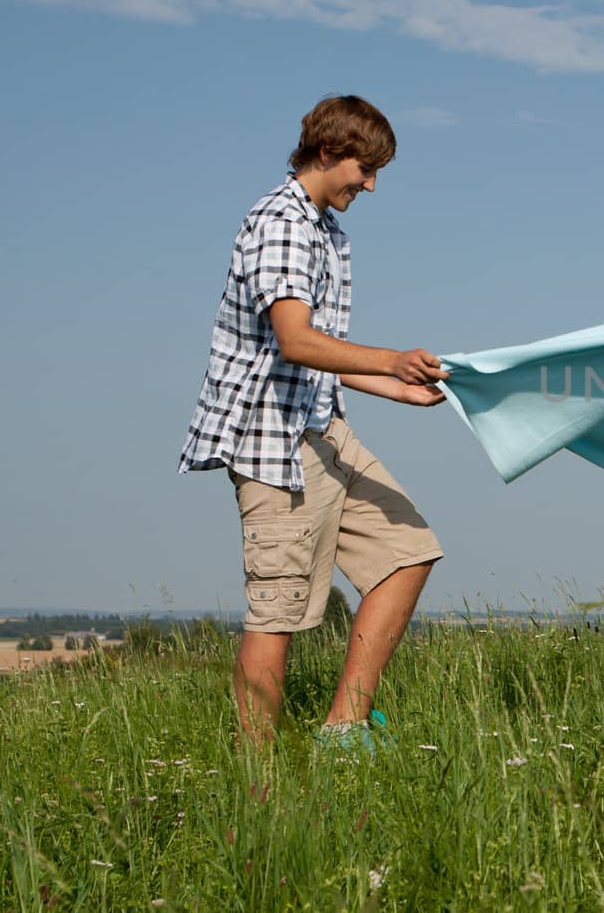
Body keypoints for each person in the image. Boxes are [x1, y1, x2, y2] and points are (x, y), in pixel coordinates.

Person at [178, 95, 451, 746]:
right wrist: (392, 357)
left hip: (324, 428)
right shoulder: (281, 222)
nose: (372, 183)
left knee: (408, 553)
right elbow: (295, 339)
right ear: (329, 152)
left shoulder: (327, 231)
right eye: (367, 167)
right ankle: (259, 787)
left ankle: (342, 733)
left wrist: (396, 387)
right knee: (277, 615)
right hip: (273, 441)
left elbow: (320, 354)